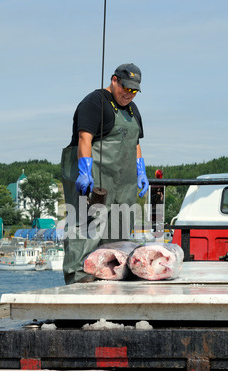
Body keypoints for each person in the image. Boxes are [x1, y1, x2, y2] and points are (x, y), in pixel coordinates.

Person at [61, 63, 149, 284]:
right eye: (125, 88)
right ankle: (79, 278)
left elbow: (135, 143)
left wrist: (141, 170)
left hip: (123, 182)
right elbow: (84, 138)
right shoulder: (94, 103)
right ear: (114, 80)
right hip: (94, 179)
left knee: (119, 227)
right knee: (87, 226)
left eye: (134, 91)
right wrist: (84, 170)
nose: (129, 94)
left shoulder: (132, 110)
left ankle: (111, 277)